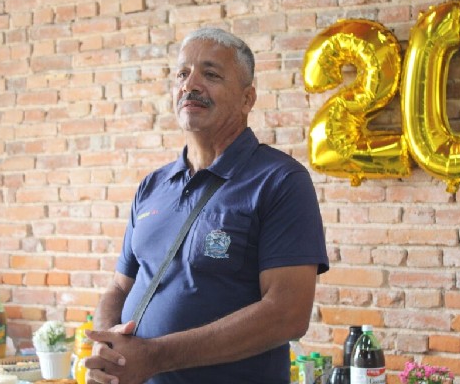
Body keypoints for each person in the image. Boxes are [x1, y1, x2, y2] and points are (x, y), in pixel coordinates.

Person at [84, 27, 329, 384]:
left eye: (211, 75)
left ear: (247, 99)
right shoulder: (153, 186)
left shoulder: (280, 181)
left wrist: (155, 356)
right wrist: (107, 346)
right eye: (182, 74)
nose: (190, 85)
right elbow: (120, 288)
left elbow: (287, 314)